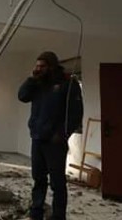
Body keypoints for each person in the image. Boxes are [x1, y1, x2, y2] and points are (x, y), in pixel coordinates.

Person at [18, 51, 84, 220]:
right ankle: (36, 212)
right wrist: (32, 78)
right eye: (37, 66)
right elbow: (22, 96)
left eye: (42, 66)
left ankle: (58, 216)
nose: (39, 69)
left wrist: (62, 134)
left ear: (52, 66)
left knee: (57, 183)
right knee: (38, 179)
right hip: (37, 138)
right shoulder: (38, 83)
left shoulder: (68, 84)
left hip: (55, 141)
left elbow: (76, 114)